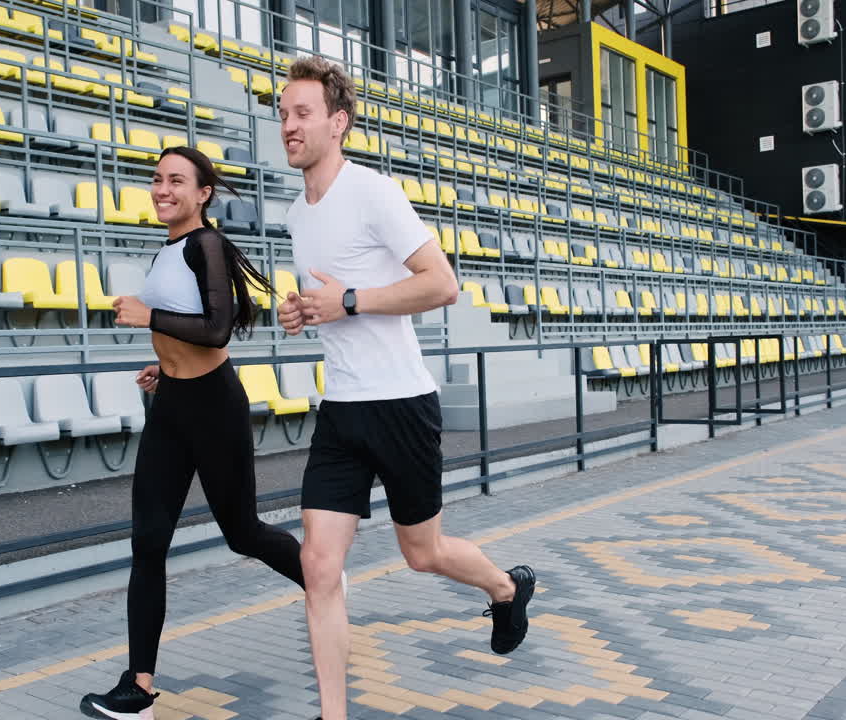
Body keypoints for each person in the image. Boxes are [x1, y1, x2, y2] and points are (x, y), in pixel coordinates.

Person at [276, 57, 537, 720]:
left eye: (301, 112)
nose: (288, 124)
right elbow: (333, 303)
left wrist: (351, 301)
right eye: (282, 112)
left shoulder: (374, 193)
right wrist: (307, 311)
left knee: (422, 555)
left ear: (338, 122)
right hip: (341, 410)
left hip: (400, 405)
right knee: (319, 565)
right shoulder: (294, 215)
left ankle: (506, 589)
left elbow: (441, 284)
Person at [80, 146, 307, 720]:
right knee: (148, 541)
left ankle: (323, 580)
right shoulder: (169, 249)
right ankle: (137, 688)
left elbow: (217, 326)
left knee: (243, 534)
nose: (162, 189)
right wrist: (166, 362)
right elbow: (189, 331)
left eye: (176, 180)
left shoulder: (205, 243)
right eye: (157, 179)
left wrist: (147, 318)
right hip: (174, 403)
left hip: (213, 405)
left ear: (202, 193)